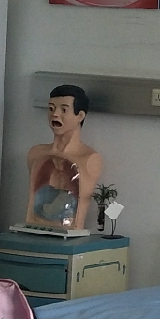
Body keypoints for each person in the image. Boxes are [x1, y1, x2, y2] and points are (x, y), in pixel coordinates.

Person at [25, 84, 102, 230]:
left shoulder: (89, 158)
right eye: (51, 108)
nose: (55, 114)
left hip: (70, 234)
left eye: (64, 110)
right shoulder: (36, 154)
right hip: (34, 229)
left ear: (80, 116)